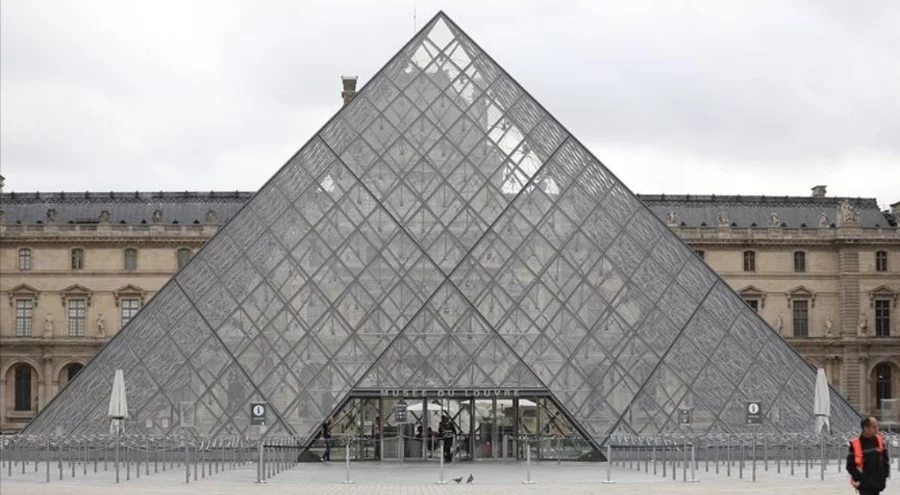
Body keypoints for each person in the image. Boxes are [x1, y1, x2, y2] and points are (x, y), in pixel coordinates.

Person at [846, 416, 890, 494]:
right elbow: (850, 466)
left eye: (877, 426)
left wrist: (884, 476)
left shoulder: (879, 440)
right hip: (865, 486)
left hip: (878, 484)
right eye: (874, 427)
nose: (877, 429)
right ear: (865, 428)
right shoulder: (856, 444)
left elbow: (885, 460)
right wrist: (861, 479)